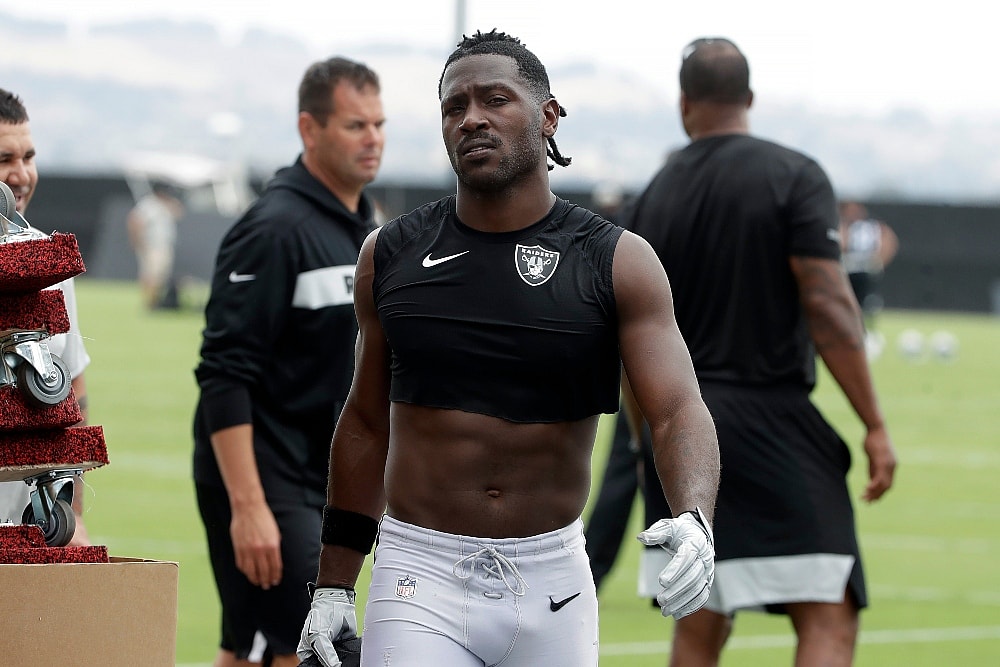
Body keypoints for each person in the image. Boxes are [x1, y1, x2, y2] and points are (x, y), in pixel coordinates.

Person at [296, 29, 720, 667]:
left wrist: (694, 516)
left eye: (496, 99)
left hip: (552, 578)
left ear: (548, 115)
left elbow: (678, 408)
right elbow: (362, 421)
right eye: (454, 106)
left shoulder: (617, 261)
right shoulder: (390, 253)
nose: (472, 119)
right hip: (420, 572)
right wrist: (332, 582)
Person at [622, 38, 898, 666]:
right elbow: (829, 308)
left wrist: (647, 450)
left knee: (698, 622)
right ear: (749, 99)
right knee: (829, 610)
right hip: (773, 422)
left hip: (681, 431)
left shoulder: (651, 197)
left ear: (684, 103)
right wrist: (874, 425)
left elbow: (629, 347)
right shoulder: (794, 176)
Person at [192, 57, 385, 667]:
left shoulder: (364, 227)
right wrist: (248, 508)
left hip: (325, 483)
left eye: (380, 124)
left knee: (250, 647)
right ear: (310, 130)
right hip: (268, 483)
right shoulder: (273, 230)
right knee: (326, 652)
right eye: (356, 125)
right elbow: (224, 375)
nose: (374, 138)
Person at [0, 88, 92, 546]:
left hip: (28, 527)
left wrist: (71, 511)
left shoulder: (48, 262)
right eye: (4, 160)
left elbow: (70, 389)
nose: (20, 175)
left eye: (28, 157)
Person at [838, 200, 899, 358]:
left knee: (865, 304)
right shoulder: (848, 225)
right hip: (851, 269)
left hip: (862, 270)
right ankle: (851, 334)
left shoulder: (870, 225)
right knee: (851, 304)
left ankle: (866, 335)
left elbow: (889, 241)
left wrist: (879, 261)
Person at [126, 179, 184, 310]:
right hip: (151, 245)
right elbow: (135, 221)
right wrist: (137, 241)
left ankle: (155, 300)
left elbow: (179, 212)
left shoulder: (166, 205)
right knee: (152, 274)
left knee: (161, 275)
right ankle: (150, 303)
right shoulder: (149, 204)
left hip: (164, 245)